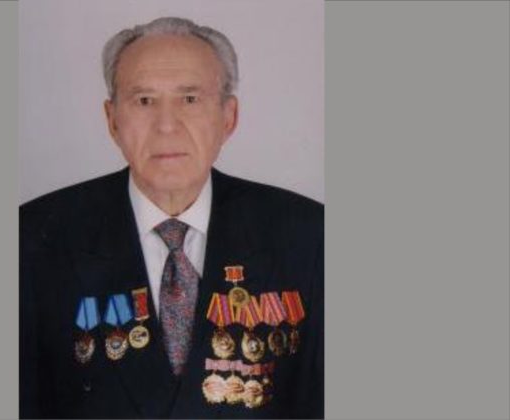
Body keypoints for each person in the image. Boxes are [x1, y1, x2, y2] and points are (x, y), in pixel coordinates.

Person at [20, 16, 323, 419]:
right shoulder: (33, 239)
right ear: (112, 120)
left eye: (190, 99)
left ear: (228, 117)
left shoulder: (308, 237)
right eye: (144, 101)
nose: (166, 126)